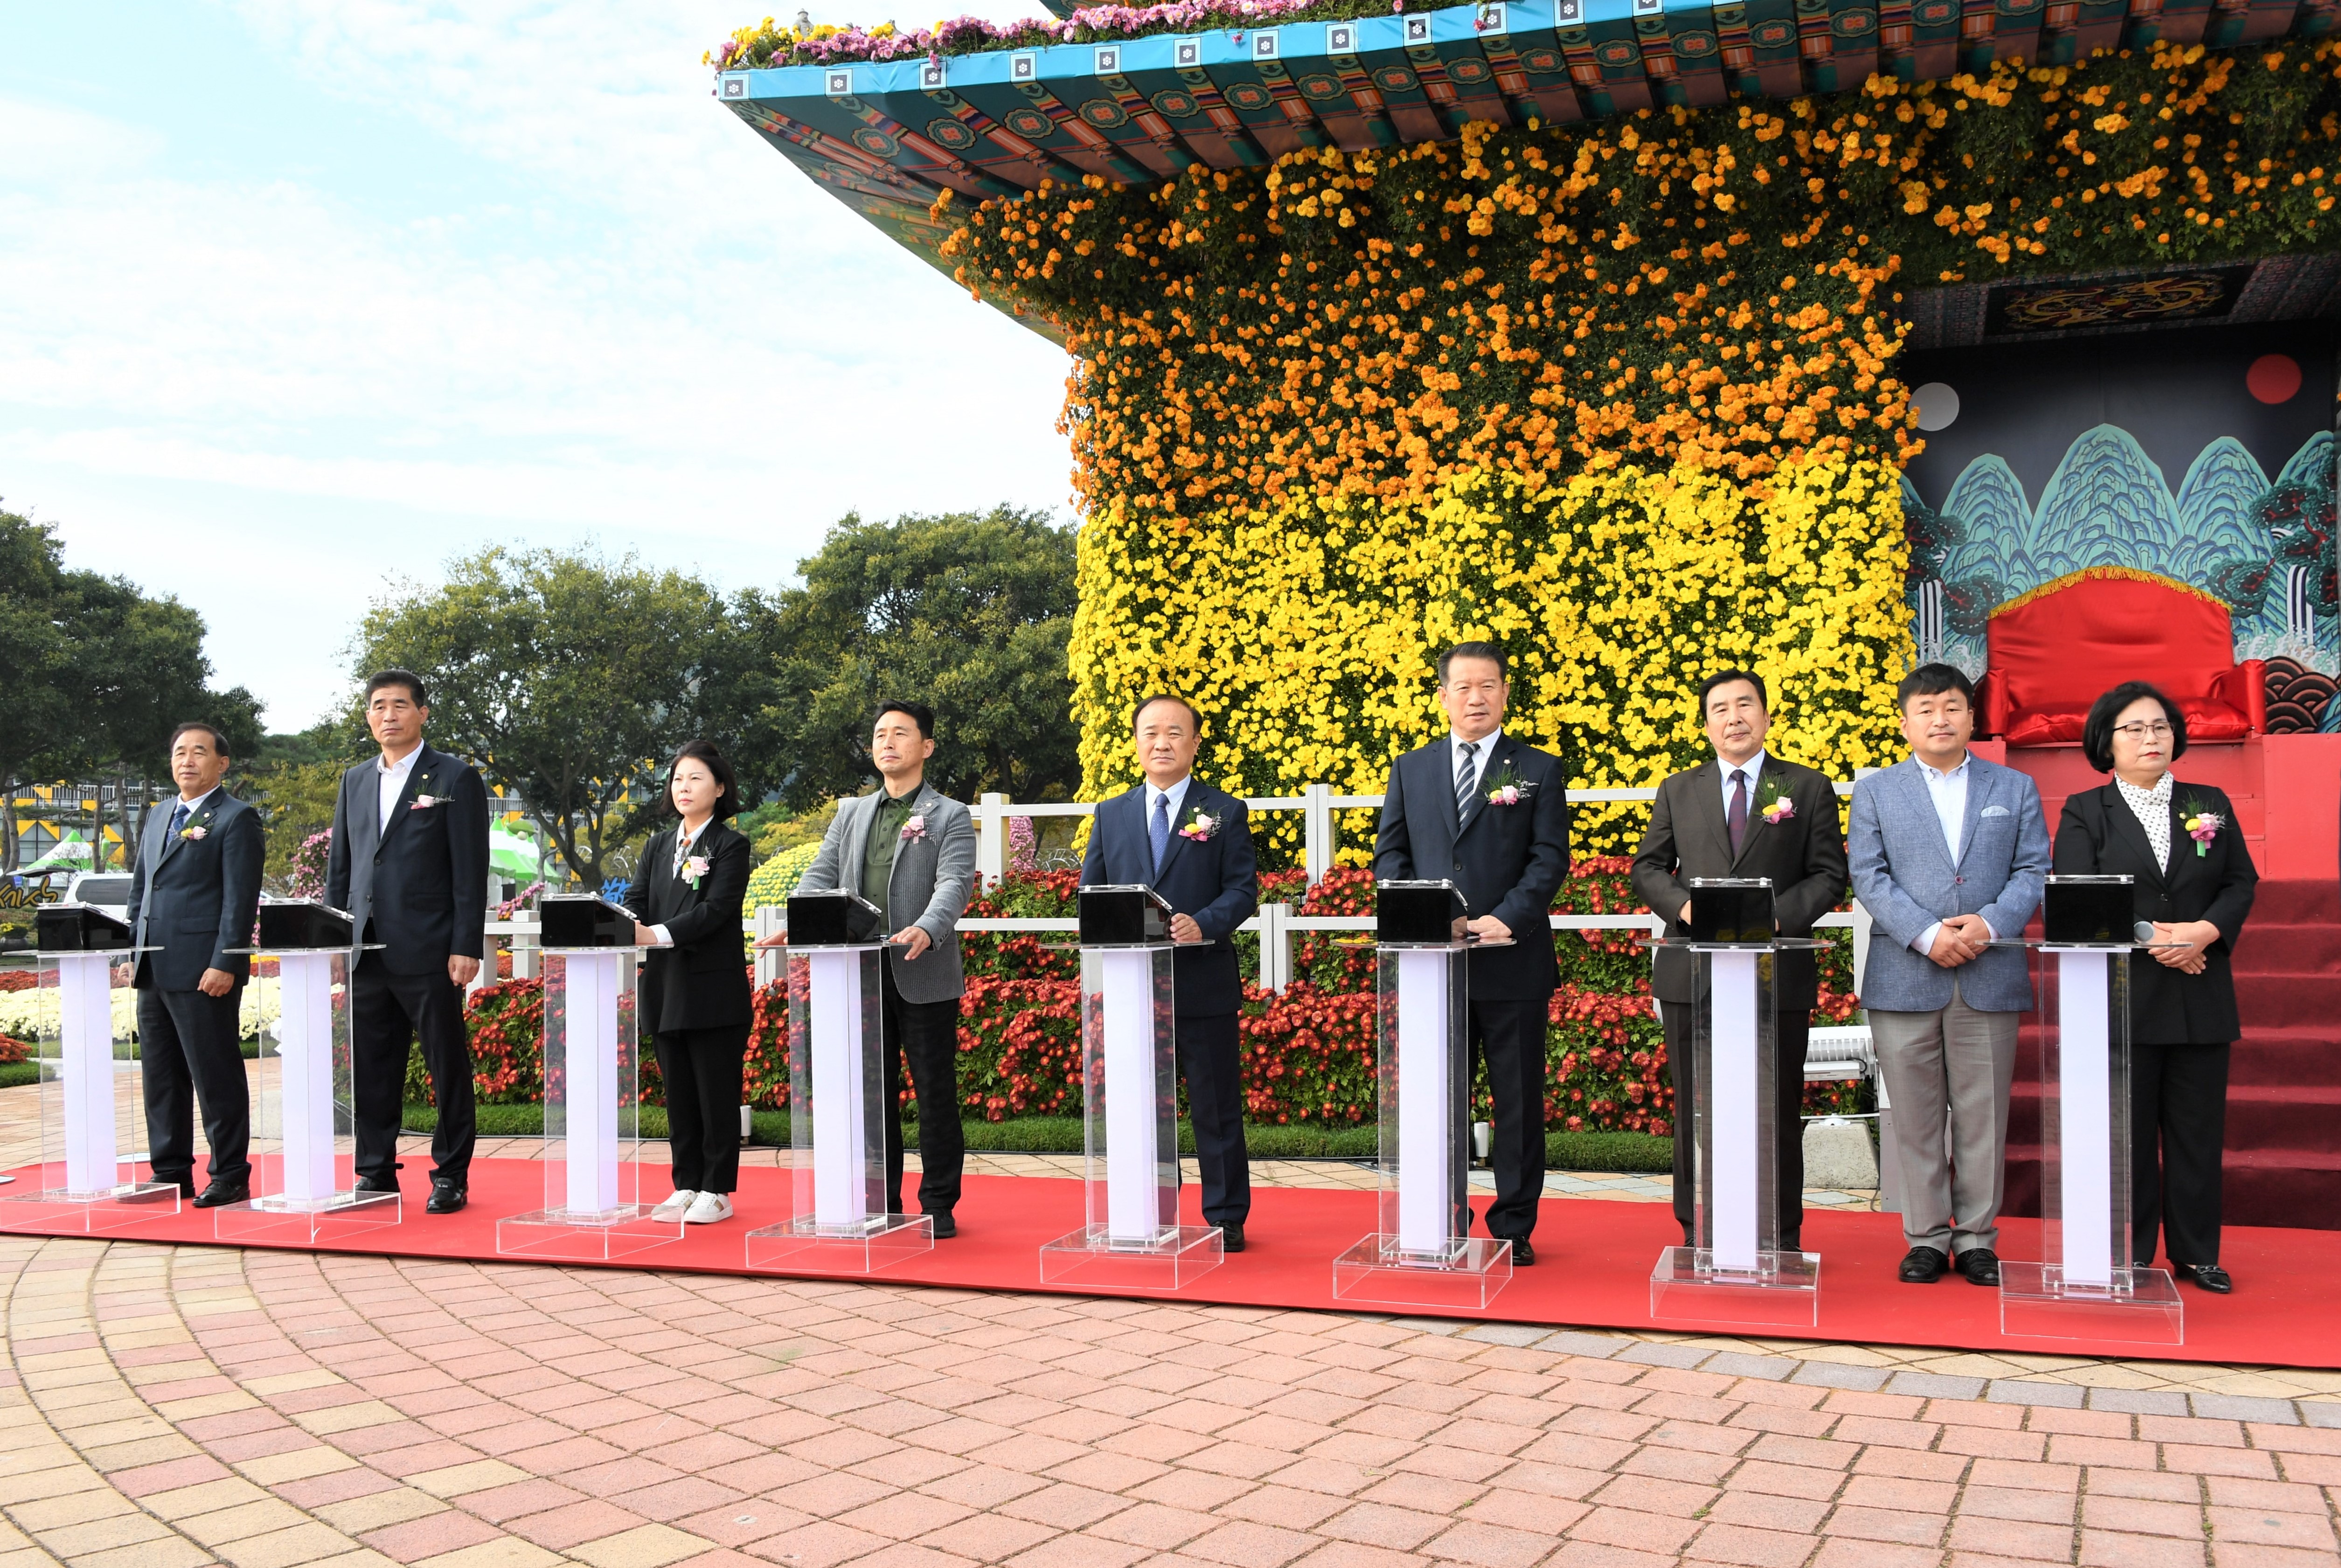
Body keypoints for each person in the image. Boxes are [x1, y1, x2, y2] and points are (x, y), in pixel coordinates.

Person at [1631, 670, 1849, 1252]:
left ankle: (1778, 1235)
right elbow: (1648, 867)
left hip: (1775, 973)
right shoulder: (1680, 788)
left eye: (1745, 704)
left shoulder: (1805, 787)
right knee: (1694, 1112)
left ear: (1767, 715)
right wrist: (1685, 909)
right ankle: (1696, 1231)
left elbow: (1830, 874)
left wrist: (1776, 917)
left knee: (1775, 1110)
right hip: (1691, 973)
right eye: (1720, 708)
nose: (1734, 717)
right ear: (1706, 725)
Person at [2053, 681, 2257, 1293]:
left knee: (2196, 1132)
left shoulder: (2207, 801)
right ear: (2104, 742)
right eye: (2134, 728)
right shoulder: (2084, 810)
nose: (2150, 738)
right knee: (2130, 1135)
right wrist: (2156, 939)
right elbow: (2074, 890)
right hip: (2123, 997)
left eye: (2160, 727)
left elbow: (2238, 883)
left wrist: (2202, 931)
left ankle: (2197, 1253)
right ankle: (2131, 1252)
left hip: (2200, 994)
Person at [1848, 663, 2048, 1286]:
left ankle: (1977, 1237)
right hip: (1903, 971)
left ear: (1970, 716)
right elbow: (1868, 874)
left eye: (1952, 707)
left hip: (1987, 970)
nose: (1939, 719)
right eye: (1926, 708)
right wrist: (1928, 934)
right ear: (1903, 721)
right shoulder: (1876, 790)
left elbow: (2031, 868)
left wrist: (1985, 926)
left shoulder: (2012, 788)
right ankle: (1926, 1236)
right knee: (1913, 1114)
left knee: (1981, 1113)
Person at [1373, 642, 1571, 1265]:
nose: (1475, 697)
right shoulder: (1410, 768)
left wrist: (1503, 917)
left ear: (1505, 692)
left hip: (1511, 961)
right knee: (1437, 1102)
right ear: (1442, 696)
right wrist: (1428, 917)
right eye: (1462, 686)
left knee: (1516, 1104)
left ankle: (1513, 1224)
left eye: (1487, 685)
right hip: (1434, 967)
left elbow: (1548, 859)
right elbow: (1390, 856)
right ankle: (1441, 1217)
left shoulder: (1537, 769)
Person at [789, 702, 977, 1235]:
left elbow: (955, 882)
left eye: (900, 733)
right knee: (870, 1094)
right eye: (879, 734)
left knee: (934, 1092)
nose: (887, 742)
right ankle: (880, 1200)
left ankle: (938, 1202)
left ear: (927, 746)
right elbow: (820, 874)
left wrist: (928, 925)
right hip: (857, 974)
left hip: (923, 970)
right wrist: (797, 917)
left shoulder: (949, 814)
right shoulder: (851, 812)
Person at [1080, 695, 1259, 1249]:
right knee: (1139, 1104)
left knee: (1215, 1103)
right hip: (1134, 985)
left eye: (1175, 732)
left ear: (1195, 743)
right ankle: (1145, 1206)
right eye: (1151, 732)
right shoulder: (1111, 813)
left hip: (1203, 978)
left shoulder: (1224, 810)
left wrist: (1201, 923)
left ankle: (1226, 1214)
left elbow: (1243, 890)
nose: (1162, 742)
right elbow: (1092, 891)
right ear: (1136, 741)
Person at [326, 670, 490, 1214]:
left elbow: (470, 868)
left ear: (422, 713)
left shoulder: (454, 777)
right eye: (378, 705)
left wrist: (466, 942)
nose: (388, 714)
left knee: (446, 1062)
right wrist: (332, 935)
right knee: (372, 1064)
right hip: (366, 947)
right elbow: (342, 866)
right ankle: (374, 1171)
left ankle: (450, 1174)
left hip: (430, 946)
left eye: (400, 704)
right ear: (368, 716)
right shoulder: (354, 780)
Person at [124, 723, 265, 1207]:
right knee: (161, 1076)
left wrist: (226, 959)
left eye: (199, 752)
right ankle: (169, 1172)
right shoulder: (160, 813)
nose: (187, 760)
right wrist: (133, 950)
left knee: (215, 1073)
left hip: (205, 969)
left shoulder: (236, 817)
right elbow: (142, 888)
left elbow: (240, 898)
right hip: (154, 967)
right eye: (180, 751)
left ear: (221, 763)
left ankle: (230, 1173)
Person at [625, 742, 754, 1226]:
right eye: (678, 778)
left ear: (720, 788)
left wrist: (655, 933)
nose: (684, 787)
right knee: (678, 1093)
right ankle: (686, 1183)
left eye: (696, 778)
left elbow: (715, 911)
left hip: (711, 990)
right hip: (663, 986)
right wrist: (617, 921)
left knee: (714, 1091)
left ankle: (717, 1188)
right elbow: (638, 899)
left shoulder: (730, 845)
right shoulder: (658, 845)